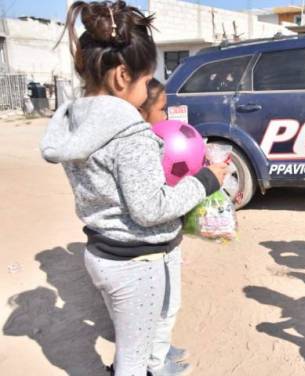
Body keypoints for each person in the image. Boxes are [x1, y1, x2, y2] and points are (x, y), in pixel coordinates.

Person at [39, 1, 228, 375]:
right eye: (146, 81)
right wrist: (208, 181)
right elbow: (150, 208)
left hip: (103, 253)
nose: (148, 90)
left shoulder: (76, 121)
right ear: (123, 76)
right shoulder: (130, 133)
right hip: (135, 264)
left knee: (133, 344)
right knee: (133, 359)